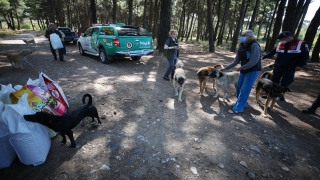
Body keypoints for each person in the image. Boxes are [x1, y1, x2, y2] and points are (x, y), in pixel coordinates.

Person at [221, 29, 261, 114]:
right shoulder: (242, 46)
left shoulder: (254, 45)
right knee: (239, 87)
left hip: (252, 70)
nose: (242, 37)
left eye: (244, 35)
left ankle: (238, 108)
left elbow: (254, 60)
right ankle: (243, 104)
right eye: (242, 35)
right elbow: (236, 61)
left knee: (245, 89)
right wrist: (226, 68)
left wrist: (242, 67)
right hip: (243, 70)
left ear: (250, 36)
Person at [262, 31, 310, 101]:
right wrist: (264, 57)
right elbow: (273, 51)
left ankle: (281, 95)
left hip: (290, 67)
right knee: (274, 80)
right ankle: (269, 94)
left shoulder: (301, 44)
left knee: (285, 82)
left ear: (289, 37)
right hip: (278, 66)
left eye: (283, 39)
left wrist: (300, 65)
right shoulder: (280, 44)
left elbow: (305, 56)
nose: (281, 40)